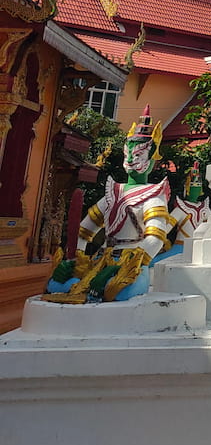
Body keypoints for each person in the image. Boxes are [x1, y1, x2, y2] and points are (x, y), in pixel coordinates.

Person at [45, 106, 175, 303]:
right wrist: (76, 258)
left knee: (114, 290)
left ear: (151, 160)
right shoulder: (114, 192)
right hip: (101, 260)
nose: (131, 160)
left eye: (139, 156)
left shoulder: (153, 196)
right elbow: (84, 231)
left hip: (132, 264)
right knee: (57, 284)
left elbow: (155, 239)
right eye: (128, 155)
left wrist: (130, 265)